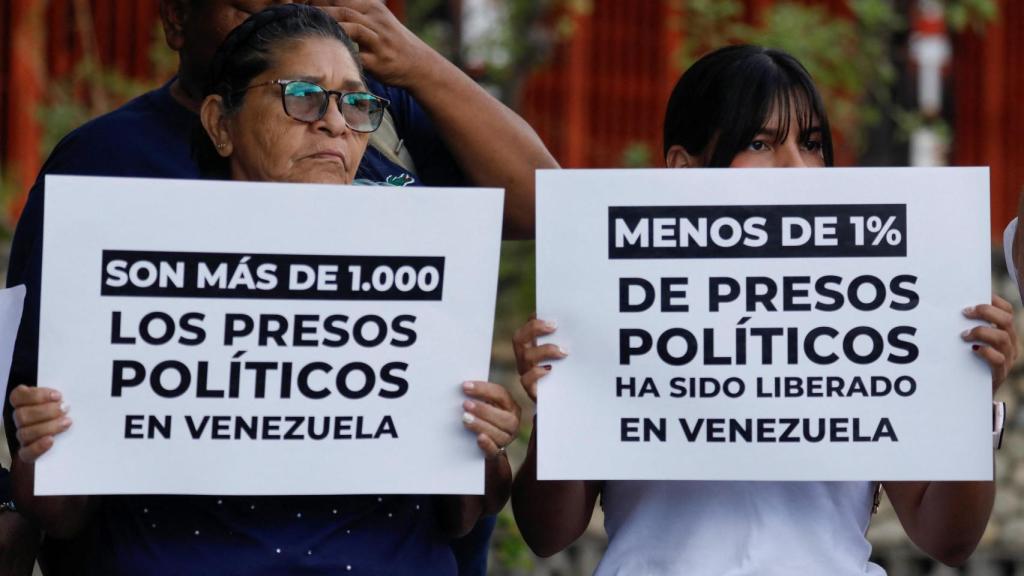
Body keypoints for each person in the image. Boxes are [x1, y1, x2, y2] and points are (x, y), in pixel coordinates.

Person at [4, 0, 556, 573]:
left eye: (357, 104)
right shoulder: (127, 250)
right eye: (303, 97)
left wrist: (484, 444)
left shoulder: (416, 263)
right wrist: (44, 445)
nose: (335, 123)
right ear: (220, 124)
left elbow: (464, 512)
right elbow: (58, 508)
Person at [510, 45, 1018, 575]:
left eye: (812, 144)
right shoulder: (614, 305)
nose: (797, 167)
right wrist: (560, 402)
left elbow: (947, 539)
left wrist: (970, 397)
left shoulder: (875, 312)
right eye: (760, 143)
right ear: (683, 166)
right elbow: (547, 533)